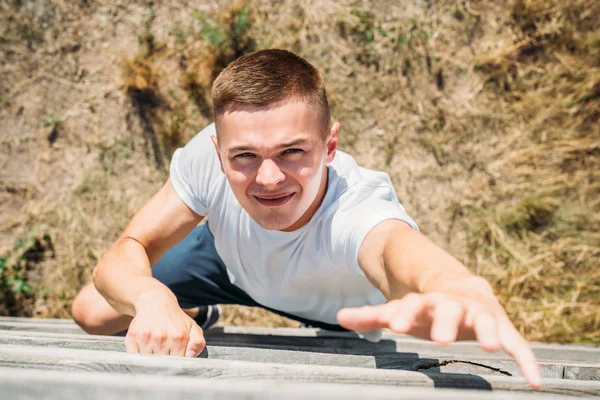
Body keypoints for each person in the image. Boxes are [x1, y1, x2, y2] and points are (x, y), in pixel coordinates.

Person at [71, 49, 541, 388]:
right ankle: (194, 311)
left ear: (330, 147)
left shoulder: (354, 208)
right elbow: (127, 249)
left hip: (332, 310)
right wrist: (154, 300)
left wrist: (450, 284)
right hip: (231, 264)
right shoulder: (206, 155)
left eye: (293, 151)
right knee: (93, 311)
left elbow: (395, 250)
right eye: (245, 156)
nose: (269, 177)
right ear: (218, 150)